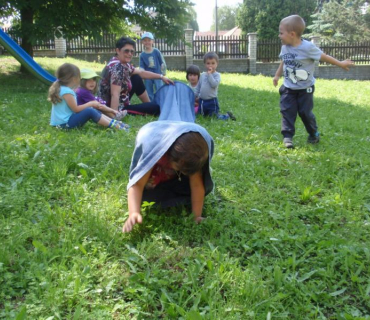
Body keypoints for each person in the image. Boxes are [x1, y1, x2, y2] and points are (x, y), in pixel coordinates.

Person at [122, 82, 214, 233]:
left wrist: (196, 215)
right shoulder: (155, 149)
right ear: (171, 158)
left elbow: (197, 184)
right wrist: (134, 212)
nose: (186, 174)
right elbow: (137, 184)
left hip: (174, 173)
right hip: (157, 173)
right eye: (182, 169)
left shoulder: (192, 153)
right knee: (151, 192)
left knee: (188, 186)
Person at [273, 15, 354, 148]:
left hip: (305, 89)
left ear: (292, 34)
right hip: (288, 88)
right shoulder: (285, 47)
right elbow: (284, 61)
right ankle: (287, 137)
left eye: (281, 33)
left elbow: (324, 57)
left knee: (305, 113)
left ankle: (313, 133)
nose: (279, 35)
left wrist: (340, 63)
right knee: (287, 111)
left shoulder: (308, 47)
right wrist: (277, 75)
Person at [99, 36, 173, 116]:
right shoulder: (118, 67)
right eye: (126, 51)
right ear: (118, 50)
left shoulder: (121, 63)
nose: (129, 54)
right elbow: (115, 94)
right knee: (156, 108)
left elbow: (141, 73)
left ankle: (148, 104)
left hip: (120, 99)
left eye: (131, 51)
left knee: (136, 77)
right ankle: (148, 106)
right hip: (112, 107)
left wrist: (161, 77)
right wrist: (114, 115)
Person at [49, 63, 128, 130]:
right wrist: (90, 104)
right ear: (74, 79)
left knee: (92, 110)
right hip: (64, 125)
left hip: (60, 124)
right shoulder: (67, 92)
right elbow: (76, 109)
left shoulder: (61, 89)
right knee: (90, 110)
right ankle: (115, 126)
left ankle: (114, 122)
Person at [194, 52, 236, 120]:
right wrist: (195, 95)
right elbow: (198, 87)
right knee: (201, 115)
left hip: (212, 101)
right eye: (208, 63)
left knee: (214, 117)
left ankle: (227, 116)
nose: (210, 65)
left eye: (213, 63)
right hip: (202, 101)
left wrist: (210, 75)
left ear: (217, 64)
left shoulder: (217, 75)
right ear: (205, 64)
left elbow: (214, 84)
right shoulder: (202, 75)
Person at [139, 32, 167, 101]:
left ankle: (161, 101)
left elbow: (162, 62)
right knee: (148, 90)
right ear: (142, 42)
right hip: (148, 76)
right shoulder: (142, 55)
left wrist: (163, 71)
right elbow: (141, 66)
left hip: (158, 74)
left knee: (159, 88)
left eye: (149, 40)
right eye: (145, 40)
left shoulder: (156, 51)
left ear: (152, 41)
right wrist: (141, 75)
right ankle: (150, 103)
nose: (147, 42)